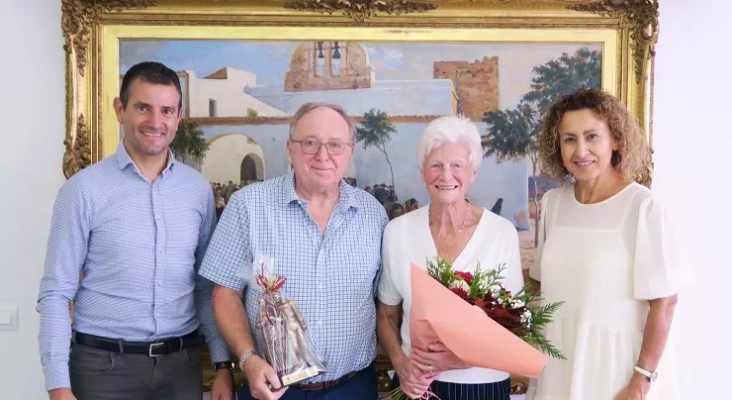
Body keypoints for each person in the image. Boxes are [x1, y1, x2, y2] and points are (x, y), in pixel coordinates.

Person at [36, 61, 234, 400]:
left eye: (166, 110)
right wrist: (58, 387)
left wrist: (222, 367)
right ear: (120, 109)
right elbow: (56, 294)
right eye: (143, 107)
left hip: (180, 368)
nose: (156, 122)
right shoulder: (83, 190)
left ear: (179, 115)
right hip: (102, 369)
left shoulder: (197, 190)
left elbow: (205, 288)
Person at [197, 102, 389, 400]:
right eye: (310, 143)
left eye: (335, 145)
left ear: (349, 151)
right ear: (291, 148)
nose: (323, 155)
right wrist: (247, 359)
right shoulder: (248, 206)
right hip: (272, 390)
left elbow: (386, 303)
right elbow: (225, 294)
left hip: (353, 388)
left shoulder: (373, 214)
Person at [526, 88, 693, 400]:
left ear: (615, 139)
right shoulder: (553, 204)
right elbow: (538, 286)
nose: (580, 151)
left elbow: (665, 303)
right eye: (570, 139)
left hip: (616, 369)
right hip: (558, 361)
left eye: (592, 136)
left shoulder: (642, 207)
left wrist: (640, 383)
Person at [376, 115, 524, 400]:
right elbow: (386, 315)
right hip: (417, 386)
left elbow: (514, 326)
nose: (446, 176)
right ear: (422, 172)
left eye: (457, 165)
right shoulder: (397, 232)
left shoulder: (500, 233)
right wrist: (401, 363)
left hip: (483, 385)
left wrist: (455, 361)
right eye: (435, 165)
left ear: (473, 173)